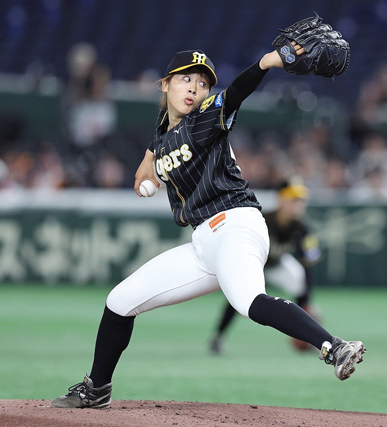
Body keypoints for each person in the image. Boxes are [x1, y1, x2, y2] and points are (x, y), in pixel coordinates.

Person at [51, 45, 365, 409]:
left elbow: (235, 94)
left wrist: (265, 63)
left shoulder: (205, 117)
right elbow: (159, 140)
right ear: (164, 84)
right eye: (185, 79)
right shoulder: (163, 130)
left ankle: (334, 347)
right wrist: (149, 158)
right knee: (119, 302)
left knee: (249, 301)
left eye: (202, 83)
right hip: (203, 244)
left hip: (235, 224)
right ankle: (97, 389)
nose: (194, 88)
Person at [209, 178, 322, 355]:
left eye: (300, 200)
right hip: (253, 263)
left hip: (276, 264)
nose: (298, 205)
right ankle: (218, 337)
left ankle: (308, 336)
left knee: (299, 278)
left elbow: (307, 262)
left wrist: (307, 303)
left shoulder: (301, 227)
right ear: (280, 199)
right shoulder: (262, 219)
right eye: (293, 199)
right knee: (238, 298)